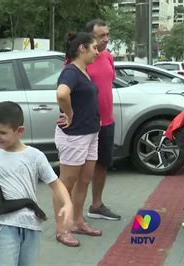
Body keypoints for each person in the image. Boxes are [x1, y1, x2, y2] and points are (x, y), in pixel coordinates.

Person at [0, 101, 73, 266]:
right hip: (3, 225)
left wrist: (68, 204)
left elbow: (56, 184)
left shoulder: (35, 156)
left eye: (2, 132)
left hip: (32, 225)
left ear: (19, 131)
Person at [55, 31, 101, 247]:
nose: (98, 52)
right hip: (74, 136)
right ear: (82, 48)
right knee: (66, 184)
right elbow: (62, 94)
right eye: (94, 48)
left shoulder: (83, 71)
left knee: (84, 180)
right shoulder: (71, 72)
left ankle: (78, 221)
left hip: (90, 134)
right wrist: (70, 115)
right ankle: (62, 229)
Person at [84, 19, 122, 221]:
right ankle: (72, 213)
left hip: (107, 122)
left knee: (102, 164)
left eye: (107, 34)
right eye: (101, 36)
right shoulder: (79, 58)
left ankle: (96, 205)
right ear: (90, 37)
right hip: (86, 124)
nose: (106, 39)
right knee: (82, 169)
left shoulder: (108, 57)